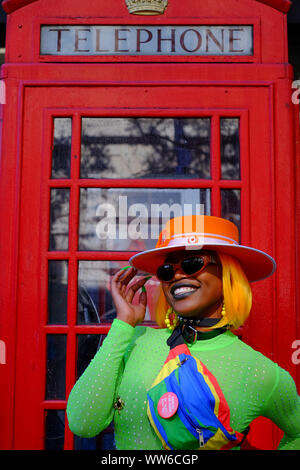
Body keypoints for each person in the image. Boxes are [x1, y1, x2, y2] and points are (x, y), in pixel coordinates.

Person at [66, 215, 300, 450]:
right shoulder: (135, 340)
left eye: (192, 263)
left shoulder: (263, 372)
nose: (177, 275)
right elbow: (82, 423)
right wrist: (123, 324)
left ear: (228, 274)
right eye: (167, 269)